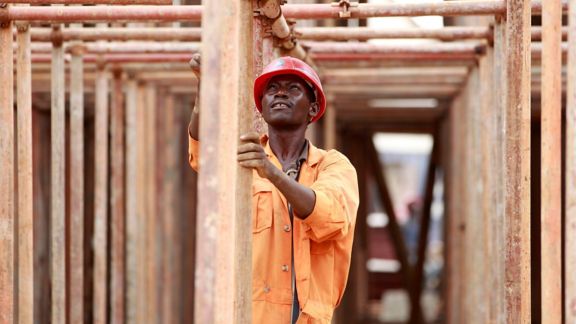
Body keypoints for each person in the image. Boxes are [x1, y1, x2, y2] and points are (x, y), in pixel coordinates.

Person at [188, 54, 359, 324]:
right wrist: (205, 90)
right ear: (261, 106)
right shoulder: (243, 160)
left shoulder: (333, 165)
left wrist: (271, 172)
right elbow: (204, 152)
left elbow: (330, 216)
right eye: (271, 89)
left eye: (293, 88)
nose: (280, 93)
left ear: (313, 109)